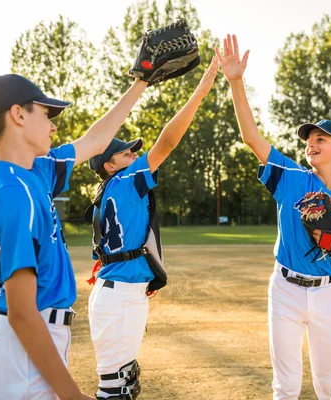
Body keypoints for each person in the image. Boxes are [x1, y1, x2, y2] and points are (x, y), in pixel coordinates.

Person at [0, 73, 149, 400]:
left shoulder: (33, 171)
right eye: (46, 114)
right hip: (24, 347)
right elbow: (23, 314)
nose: (54, 126)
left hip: (34, 343)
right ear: (18, 114)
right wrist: (71, 394)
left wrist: (142, 81)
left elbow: (96, 141)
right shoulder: (13, 194)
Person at [215, 35, 331, 400]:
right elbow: (251, 137)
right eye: (309, 138)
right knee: (286, 386)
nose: (312, 142)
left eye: (322, 139)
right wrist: (236, 81)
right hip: (285, 290)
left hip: (327, 293)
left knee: (330, 383)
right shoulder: (293, 178)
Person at [85, 57, 218, 400]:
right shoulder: (125, 181)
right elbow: (168, 142)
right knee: (116, 390)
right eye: (126, 154)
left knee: (123, 386)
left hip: (122, 293)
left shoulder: (107, 192)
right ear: (109, 165)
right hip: (118, 299)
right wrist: (201, 91)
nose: (134, 158)